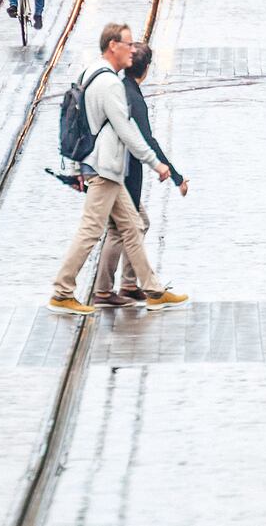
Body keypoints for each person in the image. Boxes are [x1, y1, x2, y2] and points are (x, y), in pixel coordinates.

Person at [49, 23, 185, 314]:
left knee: (133, 226)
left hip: (103, 168)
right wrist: (157, 163)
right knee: (90, 230)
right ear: (113, 45)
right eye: (128, 44)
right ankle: (62, 292)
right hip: (104, 169)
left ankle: (153, 290)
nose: (132, 50)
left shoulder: (91, 72)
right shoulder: (110, 84)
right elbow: (127, 130)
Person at [91, 42, 187, 307]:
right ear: (146, 69)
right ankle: (106, 290)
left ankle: (128, 286)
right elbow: (146, 140)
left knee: (133, 225)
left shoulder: (119, 88)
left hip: (111, 169)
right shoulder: (130, 96)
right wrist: (173, 174)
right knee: (122, 229)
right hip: (118, 172)